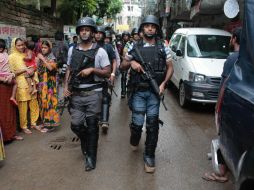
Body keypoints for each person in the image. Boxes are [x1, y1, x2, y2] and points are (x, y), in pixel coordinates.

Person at [123, 15, 174, 173]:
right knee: (137, 125)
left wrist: (164, 84)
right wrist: (132, 62)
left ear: (156, 29)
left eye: (153, 26)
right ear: (142, 28)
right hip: (138, 91)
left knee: (152, 126)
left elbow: (170, 68)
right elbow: (122, 66)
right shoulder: (134, 46)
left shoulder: (163, 47)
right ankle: (135, 137)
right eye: (147, 26)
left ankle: (149, 155)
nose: (150, 28)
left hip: (154, 92)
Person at [64, 17, 110, 171]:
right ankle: (85, 140)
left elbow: (107, 72)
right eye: (82, 30)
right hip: (76, 94)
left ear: (92, 33)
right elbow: (69, 69)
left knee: (92, 127)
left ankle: (91, 157)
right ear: (79, 32)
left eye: (87, 30)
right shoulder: (72, 49)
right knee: (75, 125)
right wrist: (65, 87)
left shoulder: (100, 51)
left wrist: (93, 70)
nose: (84, 32)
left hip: (93, 93)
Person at [202, 27, 242, 183]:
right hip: (244, 105)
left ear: (234, 39)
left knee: (225, 136)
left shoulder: (232, 59)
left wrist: (218, 106)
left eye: (231, 38)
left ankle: (222, 174)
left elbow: (224, 85)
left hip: (231, 104)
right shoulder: (248, 58)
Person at [9, 38, 40, 134]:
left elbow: (34, 65)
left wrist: (32, 70)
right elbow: (11, 72)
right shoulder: (11, 57)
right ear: (14, 46)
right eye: (18, 45)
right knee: (23, 106)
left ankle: (34, 123)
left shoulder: (27, 53)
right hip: (21, 83)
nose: (21, 47)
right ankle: (24, 126)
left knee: (34, 103)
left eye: (22, 44)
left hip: (31, 81)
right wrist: (25, 70)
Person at [95, 26, 117, 133]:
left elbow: (114, 61)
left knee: (105, 98)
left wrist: (112, 74)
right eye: (96, 33)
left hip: (106, 77)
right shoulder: (90, 46)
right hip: (93, 78)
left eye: (100, 33)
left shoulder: (108, 47)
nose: (98, 35)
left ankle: (104, 121)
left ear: (104, 35)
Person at [0, 39, 23, 141]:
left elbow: (10, 68)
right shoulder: (7, 55)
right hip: (2, 87)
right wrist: (4, 79)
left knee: (11, 111)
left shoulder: (6, 55)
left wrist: (12, 75)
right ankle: (4, 137)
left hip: (9, 85)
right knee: (3, 112)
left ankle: (12, 134)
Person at [37, 40, 60, 132]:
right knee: (42, 103)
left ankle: (50, 125)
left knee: (49, 103)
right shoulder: (43, 57)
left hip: (50, 85)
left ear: (49, 48)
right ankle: (44, 122)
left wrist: (42, 59)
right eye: (42, 48)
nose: (43, 49)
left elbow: (51, 68)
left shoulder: (52, 57)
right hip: (42, 84)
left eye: (45, 47)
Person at [0, 39, 17, 106]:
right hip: (8, 74)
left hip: (1, 74)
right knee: (15, 83)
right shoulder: (6, 55)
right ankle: (13, 97)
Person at [119, 31, 131, 98]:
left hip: (130, 62)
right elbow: (118, 53)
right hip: (123, 63)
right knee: (123, 77)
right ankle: (123, 92)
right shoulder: (121, 44)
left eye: (127, 36)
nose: (125, 37)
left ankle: (129, 90)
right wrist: (123, 58)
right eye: (124, 36)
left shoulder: (131, 44)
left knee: (130, 78)